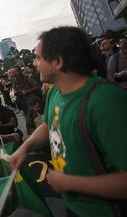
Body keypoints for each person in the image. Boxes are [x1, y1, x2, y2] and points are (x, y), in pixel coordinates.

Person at [9, 26, 127, 217]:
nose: (35, 64)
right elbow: (49, 125)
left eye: (39, 58)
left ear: (57, 62)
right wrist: (25, 147)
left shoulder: (106, 102)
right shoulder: (56, 91)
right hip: (73, 207)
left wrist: (68, 182)